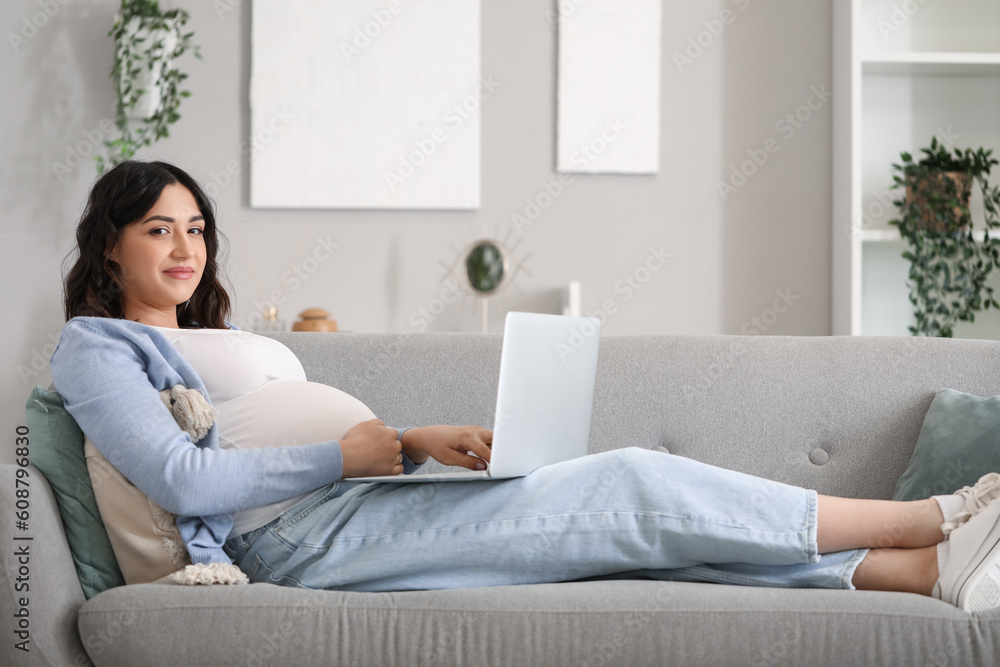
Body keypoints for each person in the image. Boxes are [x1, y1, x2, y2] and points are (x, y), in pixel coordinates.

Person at [50, 160, 1000, 610]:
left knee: (637, 540)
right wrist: (338, 452)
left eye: (196, 228)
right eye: (158, 229)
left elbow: (256, 436)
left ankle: (915, 574)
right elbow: (178, 477)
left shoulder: (210, 338)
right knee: (629, 483)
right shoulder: (95, 345)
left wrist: (410, 441)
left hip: (349, 501)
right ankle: (919, 519)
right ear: (110, 243)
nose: (185, 247)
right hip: (297, 541)